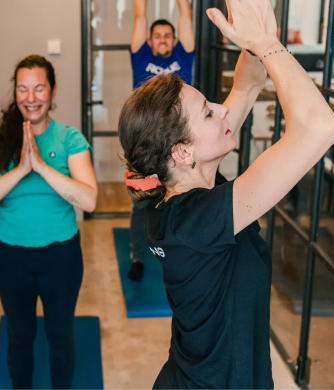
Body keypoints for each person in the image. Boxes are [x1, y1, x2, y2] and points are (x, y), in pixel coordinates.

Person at [118, 1, 334, 388]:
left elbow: (247, 83)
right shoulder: (199, 219)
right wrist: (269, 44)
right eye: (207, 112)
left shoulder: (177, 188)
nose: (222, 110)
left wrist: (253, 37)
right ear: (181, 152)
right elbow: (319, 127)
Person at [0, 55, 98, 390]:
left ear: (52, 91)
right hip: (12, 257)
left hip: (61, 257)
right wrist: (20, 170)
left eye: (39, 88)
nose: (31, 97)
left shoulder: (70, 139)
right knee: (20, 336)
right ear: (15, 93)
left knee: (59, 335)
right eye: (23, 89)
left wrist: (41, 167)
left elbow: (89, 199)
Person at [128, 0, 195, 281]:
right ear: (150, 41)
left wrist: (183, 9)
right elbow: (140, 12)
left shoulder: (184, 57)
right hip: (145, 143)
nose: (163, 39)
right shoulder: (141, 58)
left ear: (175, 40)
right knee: (142, 204)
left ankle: (181, 255)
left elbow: (186, 12)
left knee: (183, 201)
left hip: (180, 143)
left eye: (168, 35)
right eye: (158, 35)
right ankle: (136, 257)